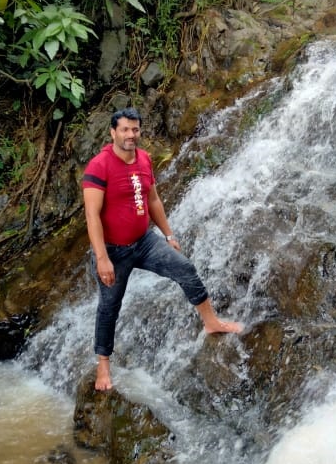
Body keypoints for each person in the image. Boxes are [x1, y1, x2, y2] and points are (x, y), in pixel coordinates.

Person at [83, 107, 243, 390]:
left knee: (185, 268)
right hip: (113, 250)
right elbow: (92, 215)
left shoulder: (144, 159)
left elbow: (153, 200)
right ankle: (103, 367)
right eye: (125, 130)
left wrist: (168, 234)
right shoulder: (99, 166)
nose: (131, 135)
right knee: (109, 307)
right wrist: (102, 257)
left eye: (135, 129)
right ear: (113, 133)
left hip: (144, 242)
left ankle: (211, 322)